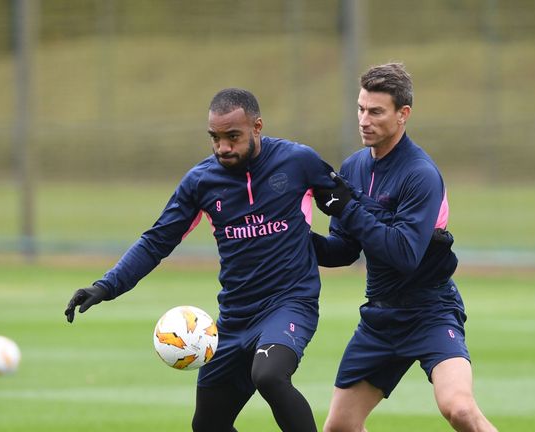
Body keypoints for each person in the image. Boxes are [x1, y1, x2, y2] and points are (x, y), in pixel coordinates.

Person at [64, 88, 337, 432]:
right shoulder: (201, 181)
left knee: (268, 376)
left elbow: (346, 204)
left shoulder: (298, 162)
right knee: (208, 425)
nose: (223, 147)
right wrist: (106, 286)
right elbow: (156, 241)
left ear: (257, 127)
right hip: (234, 317)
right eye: (215, 138)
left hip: (289, 304)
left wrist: (344, 248)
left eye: (232, 136)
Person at [312, 63, 498, 432]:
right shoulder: (354, 168)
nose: (365, 120)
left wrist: (349, 207)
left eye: (376, 111)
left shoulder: (420, 174)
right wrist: (292, 239)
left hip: (431, 310)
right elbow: (344, 250)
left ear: (403, 115)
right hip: (381, 318)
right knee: (340, 427)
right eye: (361, 109)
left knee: (459, 409)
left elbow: (404, 254)